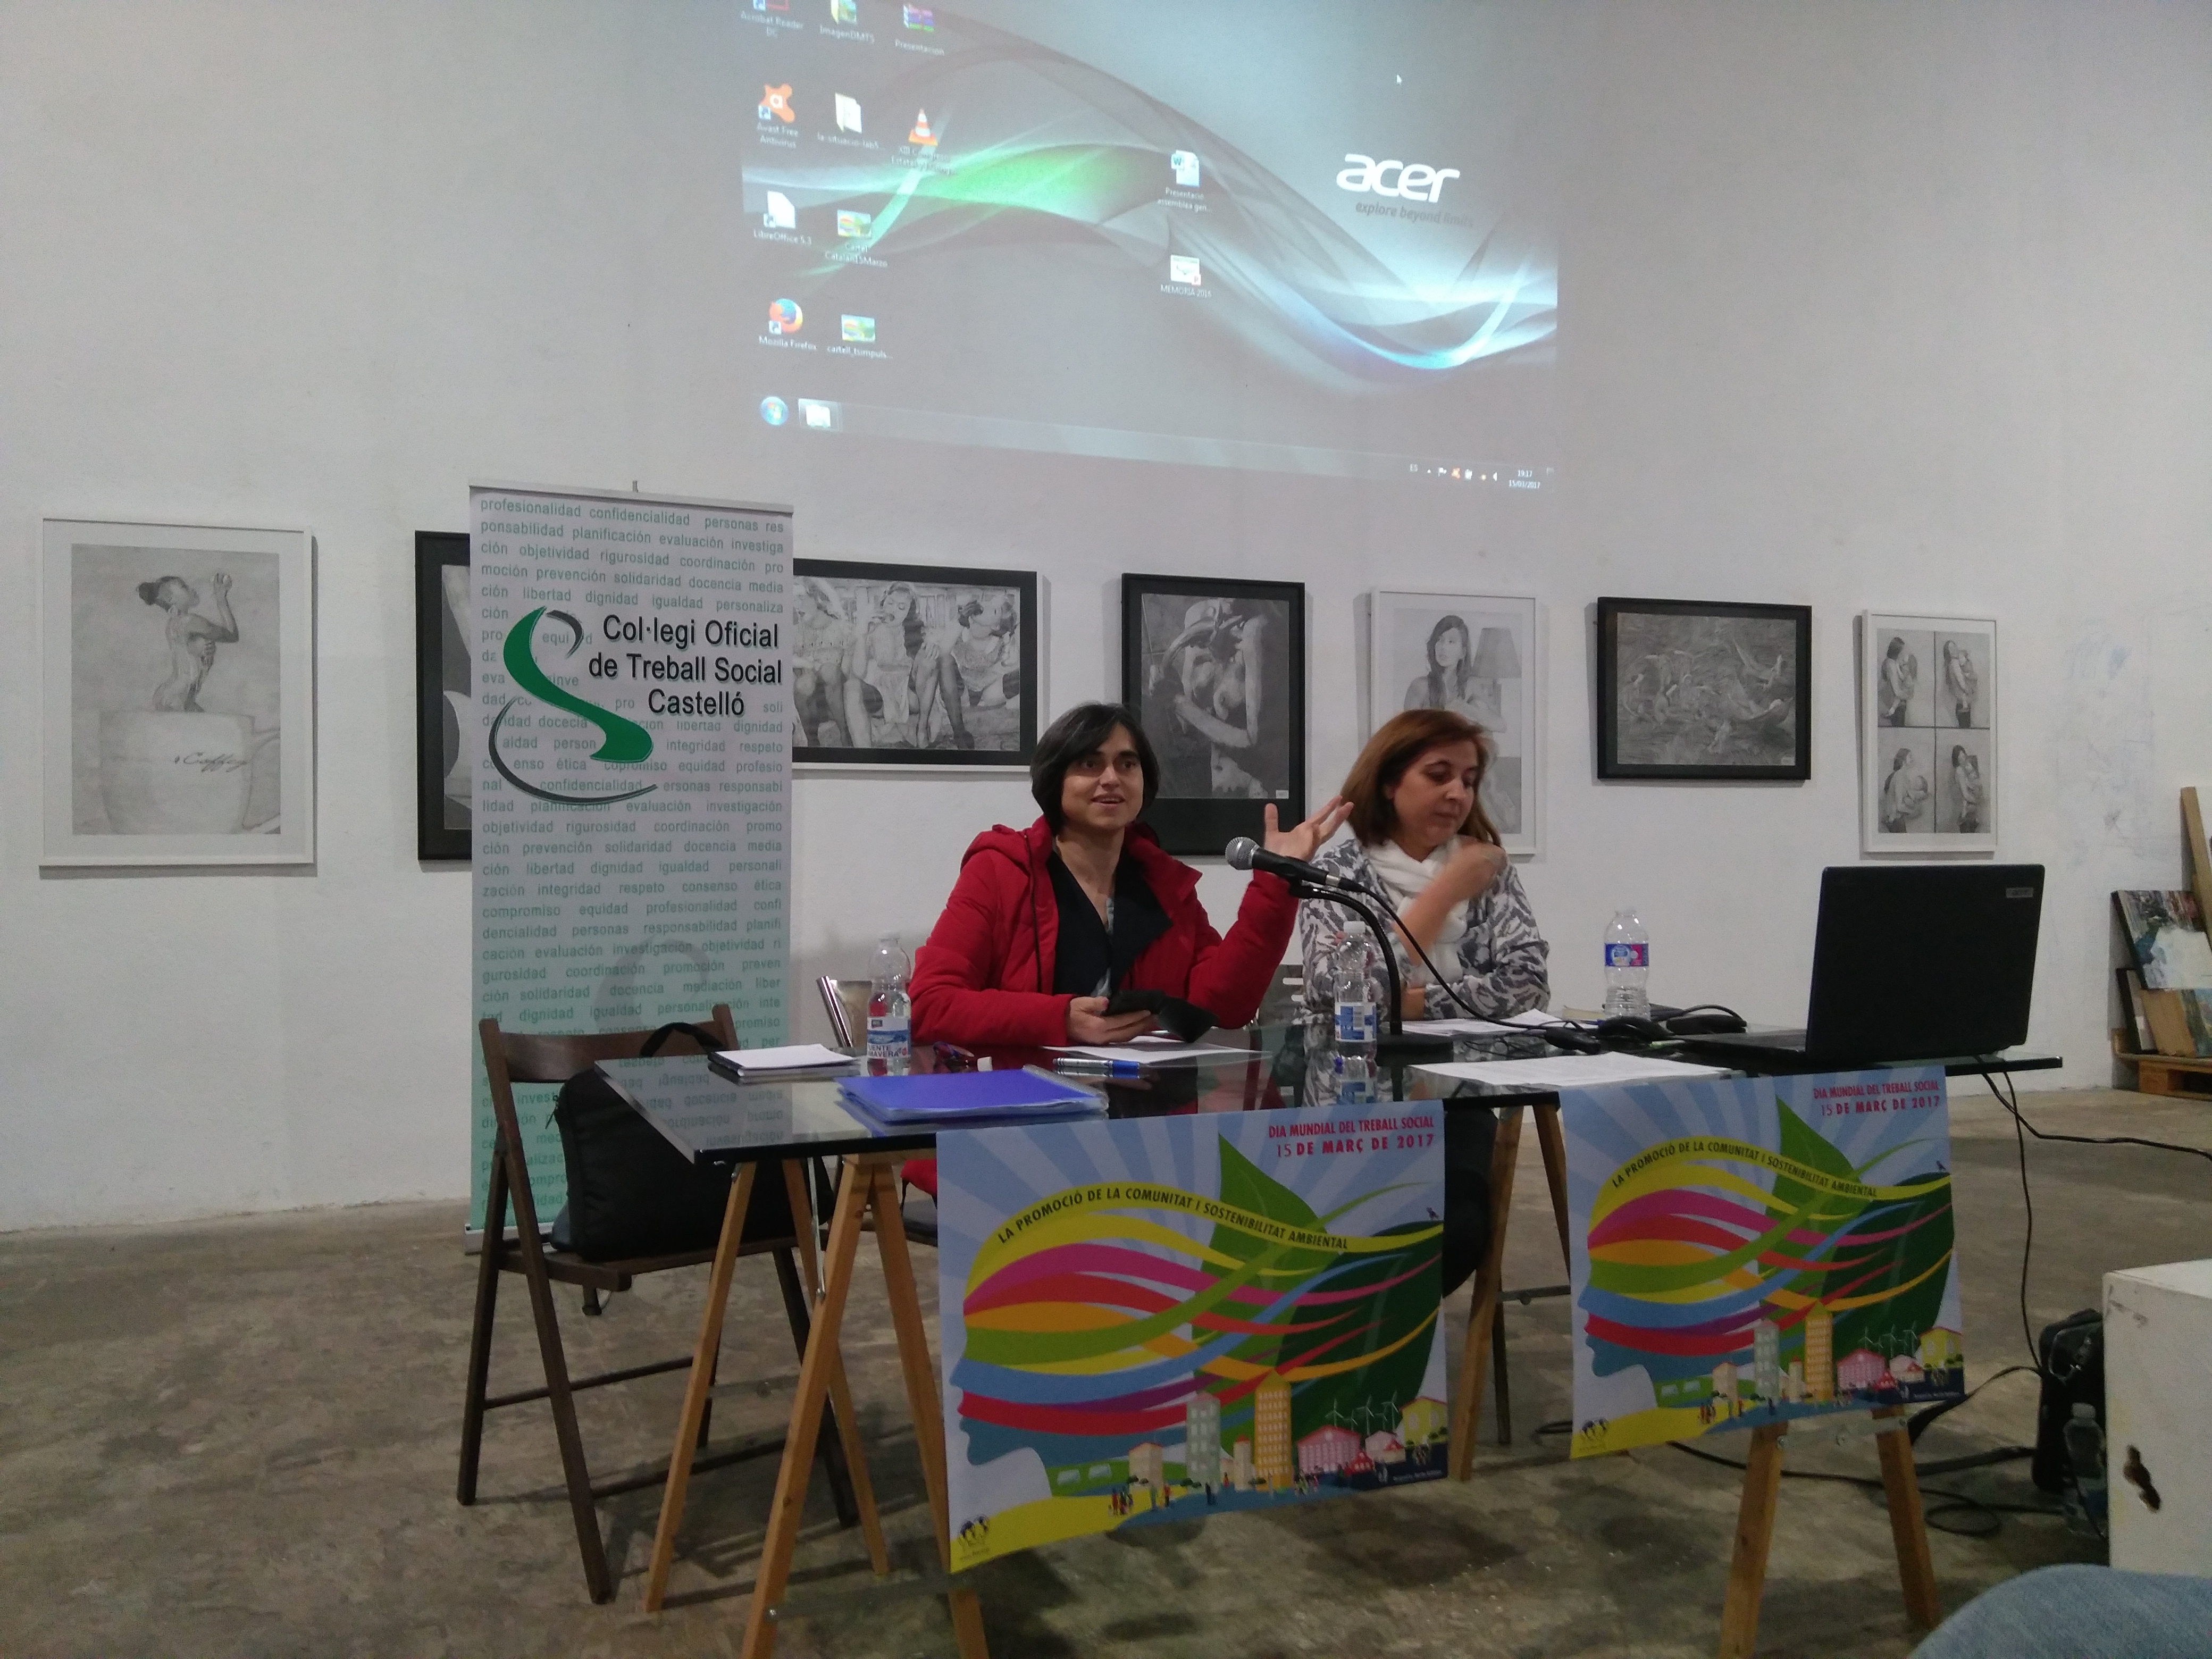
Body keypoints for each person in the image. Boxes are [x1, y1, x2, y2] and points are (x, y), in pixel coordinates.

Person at [909, 702, 1350, 1046]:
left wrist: (1275, 881)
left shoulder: (1165, 884)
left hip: (1147, 1114)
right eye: (1089, 764)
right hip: (1025, 1112)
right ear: (1055, 780)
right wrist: (1059, 1019)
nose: (1111, 779)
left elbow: (1223, 1007)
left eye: (1127, 764)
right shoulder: (1001, 871)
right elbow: (930, 1004)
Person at [1296, 708, 1548, 1023]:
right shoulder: (1336, 874)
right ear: (1389, 783)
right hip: (1361, 1052)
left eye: (1469, 782)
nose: (1458, 794)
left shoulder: (1487, 866)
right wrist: (1443, 895)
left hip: (1479, 1053)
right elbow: (1333, 995)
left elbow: (1530, 988)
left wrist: (1409, 1005)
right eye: (1438, 776)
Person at [137, 572, 239, 712]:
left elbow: (190, 657)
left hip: (170, 695)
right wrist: (221, 598)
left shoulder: (174, 625)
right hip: (178, 698)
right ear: (170, 598)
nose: (191, 589)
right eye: (184, 587)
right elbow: (231, 635)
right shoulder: (190, 621)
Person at [1879, 747, 1930, 832]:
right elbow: (1899, 806)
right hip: (1894, 821)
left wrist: (1920, 795)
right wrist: (1913, 811)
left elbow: (1909, 795)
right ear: (1903, 760)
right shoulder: (1900, 776)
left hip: (1898, 819)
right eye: (1910, 757)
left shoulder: (1904, 777)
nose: (1913, 759)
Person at [1879, 635, 1918, 727]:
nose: (1902, 655)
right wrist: (1908, 695)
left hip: (1898, 705)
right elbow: (1897, 691)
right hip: (1897, 707)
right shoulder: (1891, 664)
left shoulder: (1892, 663)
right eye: (1902, 652)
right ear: (1897, 651)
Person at [1942, 638, 1978, 728]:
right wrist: (1968, 690)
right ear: (1948, 652)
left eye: (1954, 646)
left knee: (1964, 727)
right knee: (1966, 729)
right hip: (1963, 703)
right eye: (1951, 648)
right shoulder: (1954, 663)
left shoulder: (1952, 663)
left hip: (1961, 702)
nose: (1954, 649)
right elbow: (1961, 680)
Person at [1951, 745, 1985, 833]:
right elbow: (1966, 795)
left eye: (1964, 756)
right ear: (1957, 760)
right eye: (1960, 758)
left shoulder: (1966, 769)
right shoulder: (1959, 771)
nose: (1963, 759)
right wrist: (1979, 801)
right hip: (1967, 814)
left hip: (1971, 813)